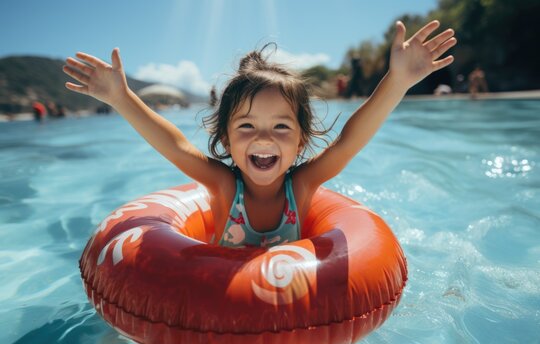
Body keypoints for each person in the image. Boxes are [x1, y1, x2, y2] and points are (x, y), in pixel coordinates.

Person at [63, 20, 456, 248]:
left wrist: (398, 80)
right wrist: (121, 96)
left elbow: (349, 141)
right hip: (215, 306)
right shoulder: (221, 185)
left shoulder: (302, 186)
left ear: (301, 140)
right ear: (226, 139)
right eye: (247, 126)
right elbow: (176, 144)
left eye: (281, 127)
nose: (264, 138)